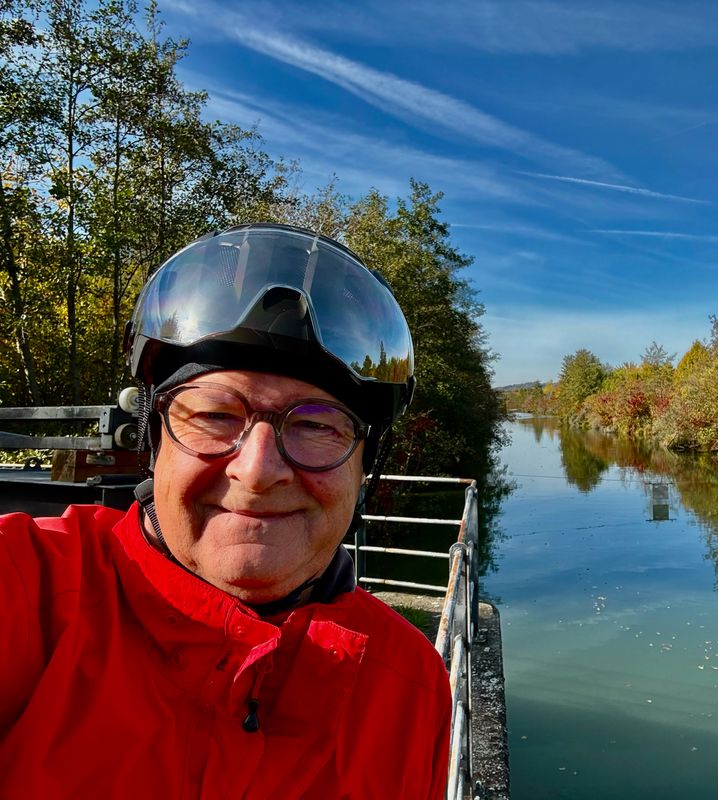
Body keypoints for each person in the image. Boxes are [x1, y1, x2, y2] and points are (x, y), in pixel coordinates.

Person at [0, 224, 451, 798]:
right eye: (215, 416)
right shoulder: (29, 590)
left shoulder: (411, 689)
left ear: (366, 466)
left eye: (315, 425)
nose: (258, 471)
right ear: (154, 438)